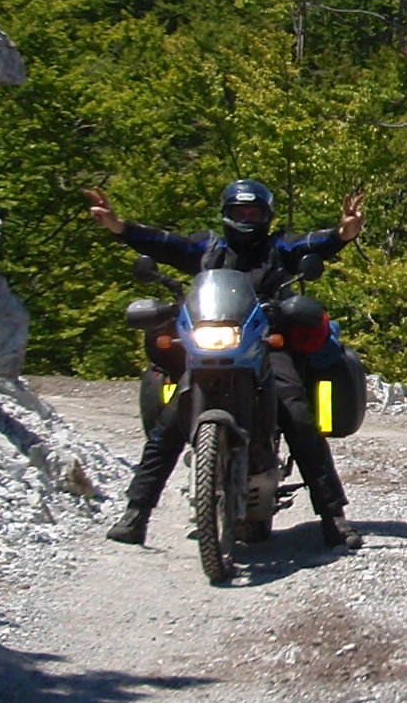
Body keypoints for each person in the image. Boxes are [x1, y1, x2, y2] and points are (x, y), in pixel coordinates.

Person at [87, 180, 366, 550]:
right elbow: (166, 243)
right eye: (239, 212)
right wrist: (120, 227)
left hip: (265, 343)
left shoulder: (277, 247)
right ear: (226, 214)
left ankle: (333, 516)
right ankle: (136, 514)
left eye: (253, 213)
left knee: (297, 414)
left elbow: (309, 244)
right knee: (170, 423)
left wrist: (341, 235)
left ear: (265, 216)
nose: (246, 219)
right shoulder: (208, 247)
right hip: (212, 345)